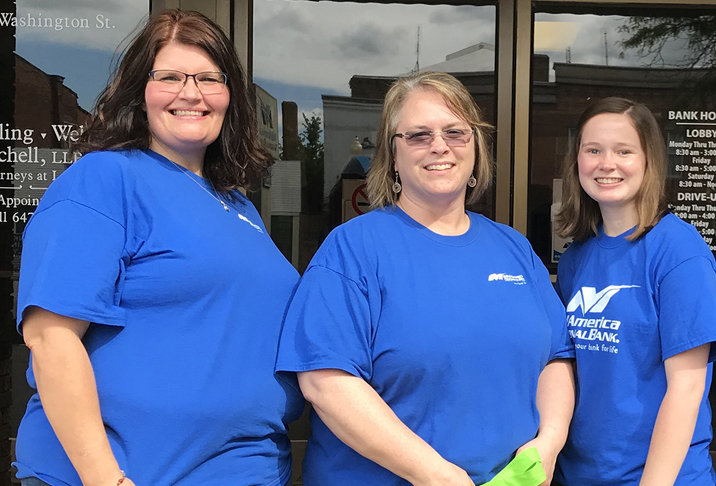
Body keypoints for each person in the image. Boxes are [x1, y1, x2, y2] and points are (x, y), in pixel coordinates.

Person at [14, 9, 304, 486]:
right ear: (140, 91)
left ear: (230, 96)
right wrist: (105, 479)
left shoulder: (239, 208)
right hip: (127, 474)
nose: (191, 93)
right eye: (169, 76)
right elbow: (50, 338)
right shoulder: (104, 179)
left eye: (210, 78)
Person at [276, 71, 575, 486]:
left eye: (455, 132)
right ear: (392, 155)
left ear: (475, 148)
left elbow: (556, 357)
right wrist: (433, 474)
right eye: (418, 135)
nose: (439, 145)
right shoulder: (352, 249)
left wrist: (549, 444)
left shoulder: (514, 248)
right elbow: (326, 383)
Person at [553, 97, 716, 486]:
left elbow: (688, 387)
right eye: (593, 150)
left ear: (649, 160)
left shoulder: (678, 251)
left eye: (624, 151)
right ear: (577, 160)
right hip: (580, 474)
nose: (607, 163)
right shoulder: (576, 259)